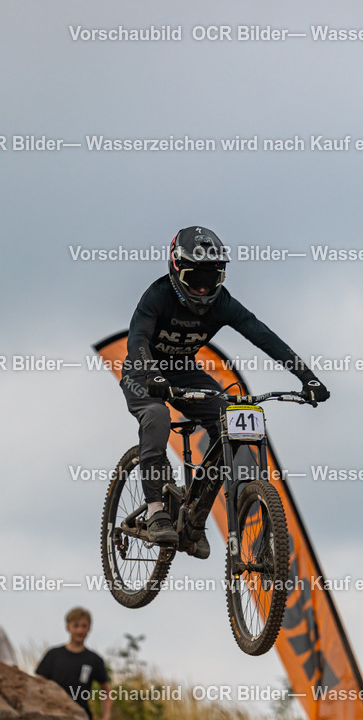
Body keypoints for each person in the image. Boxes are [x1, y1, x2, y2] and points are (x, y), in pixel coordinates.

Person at [120, 226, 330, 554]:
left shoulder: (224, 304)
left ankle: (194, 520)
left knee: (228, 419)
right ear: (176, 269)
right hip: (142, 369)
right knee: (157, 415)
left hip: (184, 371)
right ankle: (156, 509)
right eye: (195, 279)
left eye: (211, 280)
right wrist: (151, 374)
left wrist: (308, 377)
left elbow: (263, 336)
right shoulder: (157, 296)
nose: (203, 289)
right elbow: (137, 340)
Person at [35, 607, 111, 720]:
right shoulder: (54, 655)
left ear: (89, 628)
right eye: (76, 626)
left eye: (84, 626)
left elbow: (106, 690)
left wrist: (105, 718)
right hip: (53, 716)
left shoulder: (94, 659)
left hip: (81, 719)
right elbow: (38, 684)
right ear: (68, 627)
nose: (80, 630)